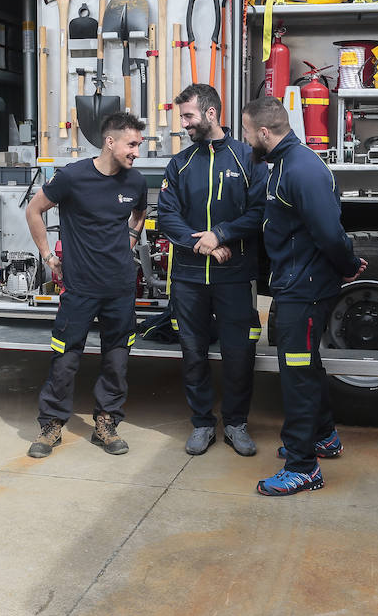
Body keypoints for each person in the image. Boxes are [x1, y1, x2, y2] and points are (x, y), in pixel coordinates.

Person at [240, 96, 365, 496]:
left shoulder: (302, 169)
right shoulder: (283, 165)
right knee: (306, 367)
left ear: (263, 132)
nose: (245, 141)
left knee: (297, 375)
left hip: (305, 293)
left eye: (246, 133)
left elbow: (330, 232)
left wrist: (346, 265)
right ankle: (323, 438)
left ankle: (302, 466)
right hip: (297, 286)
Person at [25, 111, 148, 458]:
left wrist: (131, 239)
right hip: (78, 287)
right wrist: (48, 255)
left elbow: (140, 212)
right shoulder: (72, 178)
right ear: (110, 142)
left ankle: (106, 423)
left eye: (138, 144)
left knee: (117, 357)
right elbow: (35, 210)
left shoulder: (135, 182)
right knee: (65, 357)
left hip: (120, 287)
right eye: (132, 144)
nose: (136, 151)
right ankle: (51, 424)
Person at [158, 84, 267, 457]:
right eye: (182, 116)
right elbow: (167, 216)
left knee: (239, 353)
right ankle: (202, 424)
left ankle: (236, 424)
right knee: (193, 352)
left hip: (234, 274)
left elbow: (258, 213)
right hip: (188, 277)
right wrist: (199, 243)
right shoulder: (180, 163)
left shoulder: (246, 158)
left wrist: (220, 234)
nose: (183, 124)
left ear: (210, 113)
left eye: (188, 116)